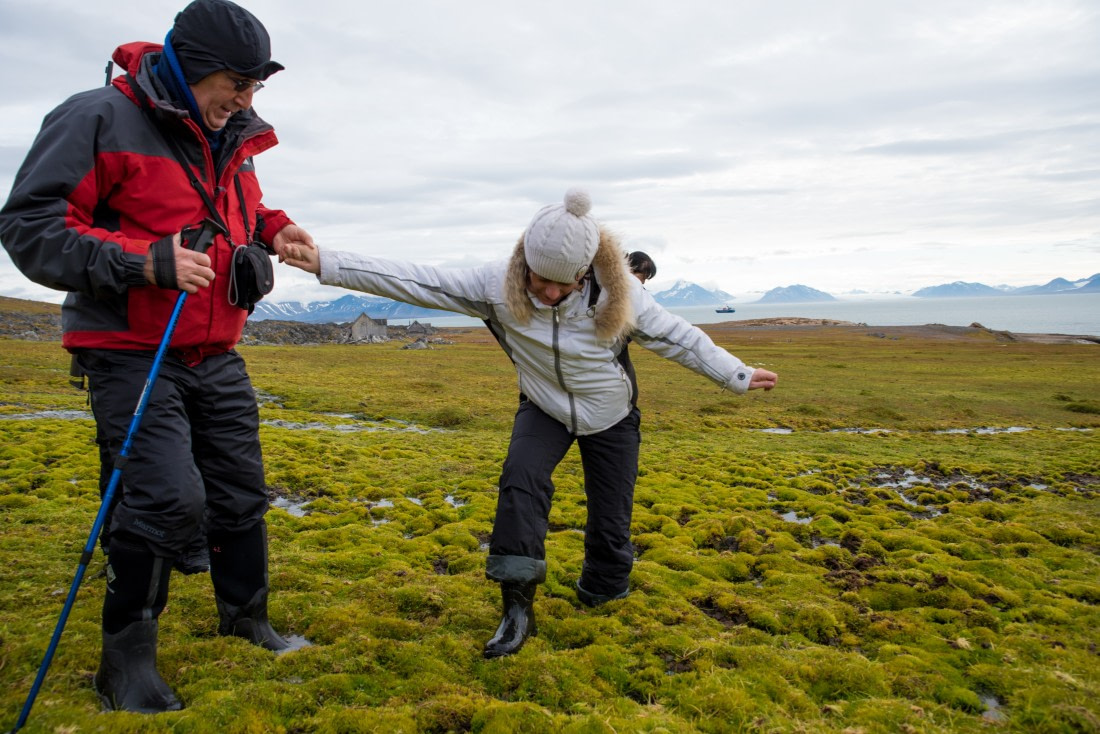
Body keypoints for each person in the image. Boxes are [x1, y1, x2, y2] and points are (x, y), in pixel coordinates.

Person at [284, 188, 778, 658]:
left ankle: (604, 591)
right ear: (526, 264)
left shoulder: (620, 293)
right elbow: (417, 279)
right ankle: (516, 608)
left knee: (611, 517)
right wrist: (327, 261)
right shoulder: (495, 285)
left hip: (612, 415)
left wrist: (736, 373)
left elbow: (680, 338)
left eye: (564, 283)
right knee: (520, 484)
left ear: (586, 271)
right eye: (540, 278)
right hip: (544, 407)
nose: (548, 290)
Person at [0, 0, 313, 713]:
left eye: (256, 87)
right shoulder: (95, 118)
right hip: (130, 350)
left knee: (240, 493)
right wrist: (144, 263)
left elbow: (232, 210)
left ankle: (246, 617)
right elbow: (29, 227)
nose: (246, 99)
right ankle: (126, 661)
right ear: (190, 66)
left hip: (215, 348)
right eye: (237, 82)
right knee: (168, 498)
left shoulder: (228, 132)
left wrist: (276, 226)